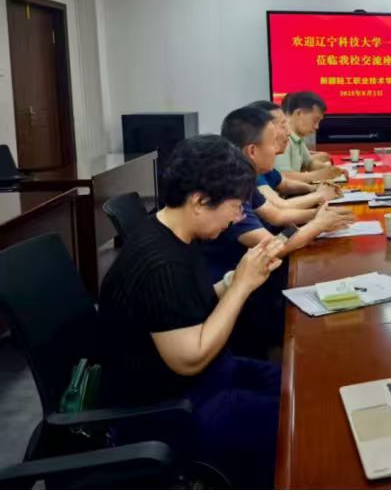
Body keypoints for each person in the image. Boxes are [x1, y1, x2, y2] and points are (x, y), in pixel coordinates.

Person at [97, 135, 284, 488]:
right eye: (235, 206)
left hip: (209, 377)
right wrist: (241, 287)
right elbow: (190, 359)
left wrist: (233, 280)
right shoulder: (160, 264)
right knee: (295, 423)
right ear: (199, 201)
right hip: (172, 406)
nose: (238, 217)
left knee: (299, 390)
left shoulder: (172, 232)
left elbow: (188, 305)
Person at [204, 106, 354, 280]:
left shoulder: (244, 179)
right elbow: (272, 247)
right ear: (252, 151)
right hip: (237, 282)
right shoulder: (230, 188)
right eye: (272, 143)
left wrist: (318, 216)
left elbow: (276, 216)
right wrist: (317, 225)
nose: (277, 150)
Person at [247, 100, 342, 209]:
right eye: (282, 125)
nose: (288, 132)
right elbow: (279, 211)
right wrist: (320, 196)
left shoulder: (263, 169)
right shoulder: (249, 174)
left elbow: (285, 184)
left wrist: (316, 189)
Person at [276, 91, 346, 182]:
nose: (317, 127)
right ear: (299, 113)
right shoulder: (281, 138)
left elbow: (308, 163)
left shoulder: (297, 138)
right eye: (315, 120)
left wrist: (331, 170)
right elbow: (283, 177)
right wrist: (319, 175)